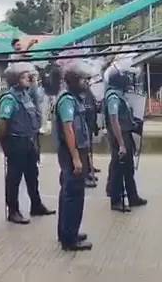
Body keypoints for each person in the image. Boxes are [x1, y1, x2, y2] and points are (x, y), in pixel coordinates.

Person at [0, 62, 55, 225]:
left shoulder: (26, 95)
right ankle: (13, 211)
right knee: (14, 178)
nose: (28, 78)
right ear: (14, 80)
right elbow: (1, 125)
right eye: (23, 77)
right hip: (16, 142)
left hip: (28, 141)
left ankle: (36, 205)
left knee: (32, 175)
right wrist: (6, 146)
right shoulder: (9, 98)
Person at [53, 60, 95, 251]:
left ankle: (67, 232)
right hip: (72, 153)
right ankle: (70, 240)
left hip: (75, 152)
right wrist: (76, 158)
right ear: (75, 80)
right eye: (84, 80)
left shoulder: (73, 98)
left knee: (69, 194)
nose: (87, 84)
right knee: (73, 195)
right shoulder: (67, 100)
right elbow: (68, 130)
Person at [103, 63, 148, 212]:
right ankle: (116, 200)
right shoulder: (113, 97)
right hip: (119, 137)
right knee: (118, 169)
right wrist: (121, 143)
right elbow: (114, 119)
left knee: (128, 168)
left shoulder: (119, 95)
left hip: (125, 134)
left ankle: (133, 197)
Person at [80, 84, 99, 188]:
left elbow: (92, 106)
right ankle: (85, 175)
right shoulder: (78, 93)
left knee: (88, 150)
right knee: (83, 152)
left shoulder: (87, 90)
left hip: (89, 123)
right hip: (83, 126)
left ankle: (88, 169)